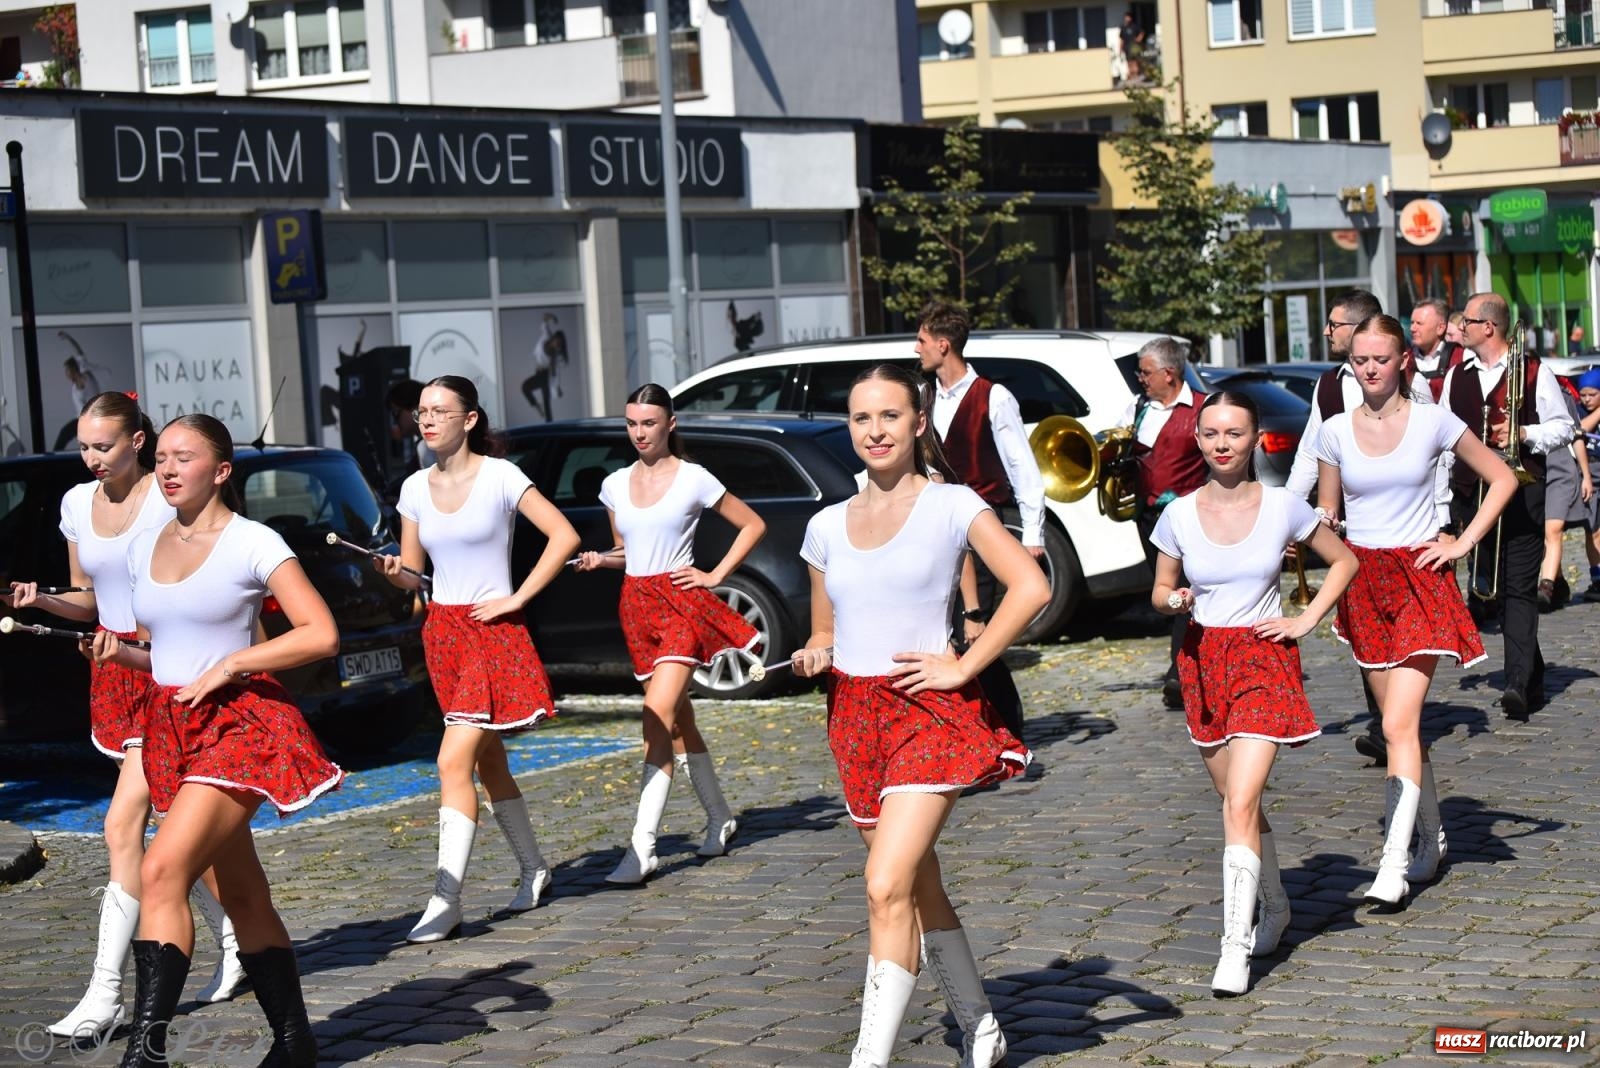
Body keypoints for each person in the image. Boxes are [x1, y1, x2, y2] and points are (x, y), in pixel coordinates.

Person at [792, 363, 1046, 1068]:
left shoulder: (951, 505)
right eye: (861, 418)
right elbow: (824, 630)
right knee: (915, 883)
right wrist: (815, 653)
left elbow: (1030, 586)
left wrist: (965, 664)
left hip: (930, 713)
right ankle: (983, 1025)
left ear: (917, 423)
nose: (874, 430)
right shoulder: (824, 527)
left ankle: (867, 1060)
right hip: (855, 715)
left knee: (883, 885)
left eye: (889, 416)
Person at [97, 413, 345, 1068]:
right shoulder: (140, 547)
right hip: (170, 726)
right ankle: (296, 1045)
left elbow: (320, 634)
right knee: (240, 894)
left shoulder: (253, 543)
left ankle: (145, 1055)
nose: (169, 469)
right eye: (164, 459)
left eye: (186, 457)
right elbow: (158, 651)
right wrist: (113, 651)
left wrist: (234, 663)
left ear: (223, 470)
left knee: (160, 869)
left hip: (238, 724)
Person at [3, 394, 246, 1043]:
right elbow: (90, 599)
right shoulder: (77, 504)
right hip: (112, 671)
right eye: (85, 446)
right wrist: (45, 598)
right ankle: (241, 935)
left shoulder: (172, 502)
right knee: (173, 822)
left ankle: (105, 994)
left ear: (138, 440)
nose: (92, 458)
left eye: (104, 446)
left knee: (122, 826)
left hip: (166, 665)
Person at [1150, 390, 1358, 996]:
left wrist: (1306, 618)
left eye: (1234, 433)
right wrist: (1177, 600)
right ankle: (1276, 902)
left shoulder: (1284, 507)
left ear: (1254, 438)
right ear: (1198, 438)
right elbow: (1159, 591)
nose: (1222, 443)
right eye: (1212, 433)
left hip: (1265, 658)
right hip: (1204, 659)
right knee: (1234, 799)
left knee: (1239, 802)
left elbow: (1342, 562)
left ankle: (1234, 947)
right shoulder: (1178, 514)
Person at [1315, 315, 1517, 909]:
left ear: (1404, 360)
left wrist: (1461, 541)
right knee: (1399, 727)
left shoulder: (1433, 421)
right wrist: (1310, 532)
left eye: (1381, 358)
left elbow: (1502, 478)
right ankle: (1431, 840)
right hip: (1362, 581)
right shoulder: (1332, 431)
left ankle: (1393, 862)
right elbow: (1330, 512)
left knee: (1398, 727)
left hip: (1418, 578)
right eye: (1360, 359)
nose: (1370, 368)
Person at [377, 375, 581, 942]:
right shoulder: (414, 488)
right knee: (489, 764)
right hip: (442, 632)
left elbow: (562, 536)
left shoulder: (502, 476)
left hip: (491, 631)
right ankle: (534, 868)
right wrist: (396, 573)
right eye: (421, 412)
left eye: (440, 411)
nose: (427, 420)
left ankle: (447, 898)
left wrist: (517, 596)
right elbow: (416, 577)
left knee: (451, 761)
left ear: (470, 419)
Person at [575, 384, 766, 884]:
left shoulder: (694, 478)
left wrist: (715, 574)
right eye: (632, 424)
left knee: (655, 716)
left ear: (670, 424)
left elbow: (752, 525)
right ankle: (720, 817)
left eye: (649, 423)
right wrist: (602, 558)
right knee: (678, 723)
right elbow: (627, 549)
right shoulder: (615, 484)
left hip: (680, 604)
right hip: (635, 607)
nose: (640, 433)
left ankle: (641, 848)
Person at [1286, 289, 1435, 764]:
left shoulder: (1415, 386)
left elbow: (1440, 460)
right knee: (1368, 639)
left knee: (1402, 643)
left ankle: (1392, 725)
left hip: (1409, 538)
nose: (1327, 332)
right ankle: (1385, 724)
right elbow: (1312, 450)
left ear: (1358, 327)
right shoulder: (1328, 386)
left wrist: (1448, 524)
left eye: (1334, 324)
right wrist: (1288, 515)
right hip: (1352, 534)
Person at [1441, 293, 1577, 719]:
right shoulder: (1455, 376)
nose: (1460, 328)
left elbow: (1564, 427)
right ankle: (1531, 672)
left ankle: (1517, 683)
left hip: (1521, 493)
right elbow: (1444, 438)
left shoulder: (1535, 370)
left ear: (1489, 327)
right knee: (1494, 591)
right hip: (1472, 496)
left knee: (1519, 588)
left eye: (1466, 321)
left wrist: (1524, 435)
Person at [916, 301, 1044, 738]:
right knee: (952, 629)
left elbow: (1022, 467)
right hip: (940, 526)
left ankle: (1006, 727)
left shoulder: (993, 396)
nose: (916, 349)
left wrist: (1032, 534)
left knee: (978, 629)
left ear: (943, 344)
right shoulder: (926, 396)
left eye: (922, 341)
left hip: (985, 523)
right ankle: (978, 725)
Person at [1118, 336, 1208, 710]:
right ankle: (1187, 667)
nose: (1140, 378)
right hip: (1150, 516)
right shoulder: (1138, 408)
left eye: (1146, 371)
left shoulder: (1202, 408)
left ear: (1169, 374)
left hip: (1190, 516)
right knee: (1167, 592)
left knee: (1184, 591)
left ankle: (1178, 672)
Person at [1537, 383, 1590, 611]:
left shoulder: (1560, 395)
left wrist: (1585, 475)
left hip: (1560, 471)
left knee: (1553, 529)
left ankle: (1546, 587)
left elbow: (1577, 436)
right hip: (1533, 472)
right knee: (1539, 532)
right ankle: (1558, 583)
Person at [1574, 368, 1600, 602]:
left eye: (1592, 394)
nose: (1586, 399)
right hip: (1591, 474)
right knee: (1593, 530)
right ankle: (1597, 576)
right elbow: (1580, 429)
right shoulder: (1579, 411)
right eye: (1583, 394)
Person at [1407, 299, 1463, 402]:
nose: (1412, 328)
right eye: (1412, 322)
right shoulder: (1403, 359)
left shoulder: (1460, 357)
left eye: (1419, 323)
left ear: (1440, 328)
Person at [520, 313, 569, 422]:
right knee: (525, 388)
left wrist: (557, 388)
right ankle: (539, 408)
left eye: (559, 345)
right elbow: (544, 320)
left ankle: (547, 419)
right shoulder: (546, 336)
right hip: (539, 373)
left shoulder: (554, 357)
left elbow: (555, 373)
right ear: (553, 338)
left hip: (544, 375)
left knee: (545, 401)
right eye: (557, 342)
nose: (557, 345)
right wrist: (553, 317)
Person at [52, 351, 103, 451]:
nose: (67, 376)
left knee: (65, 433)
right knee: (66, 434)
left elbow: (80, 353)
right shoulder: (75, 386)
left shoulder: (86, 378)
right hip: (83, 420)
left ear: (73, 371)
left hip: (90, 419)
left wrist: (68, 338)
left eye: (68, 372)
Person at [1120, 9, 1147, 84]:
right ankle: (1131, 77)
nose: (1126, 18)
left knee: (1135, 62)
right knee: (1129, 63)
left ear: (1130, 18)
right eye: (1126, 17)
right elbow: (1121, 39)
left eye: (1128, 17)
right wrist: (1121, 48)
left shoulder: (1135, 26)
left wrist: (1138, 39)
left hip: (1134, 48)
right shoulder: (1123, 28)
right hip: (1127, 48)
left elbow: (1142, 32)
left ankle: (1136, 76)